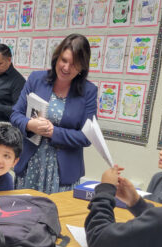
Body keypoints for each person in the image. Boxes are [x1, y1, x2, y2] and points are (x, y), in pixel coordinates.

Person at [10, 34, 98, 194]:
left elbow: (87, 137)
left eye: (74, 64)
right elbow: (16, 115)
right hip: (30, 164)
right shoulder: (36, 79)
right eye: (64, 60)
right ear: (56, 58)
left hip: (62, 172)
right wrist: (30, 125)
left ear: (82, 67)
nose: (66, 68)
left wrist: (54, 132)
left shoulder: (89, 91)